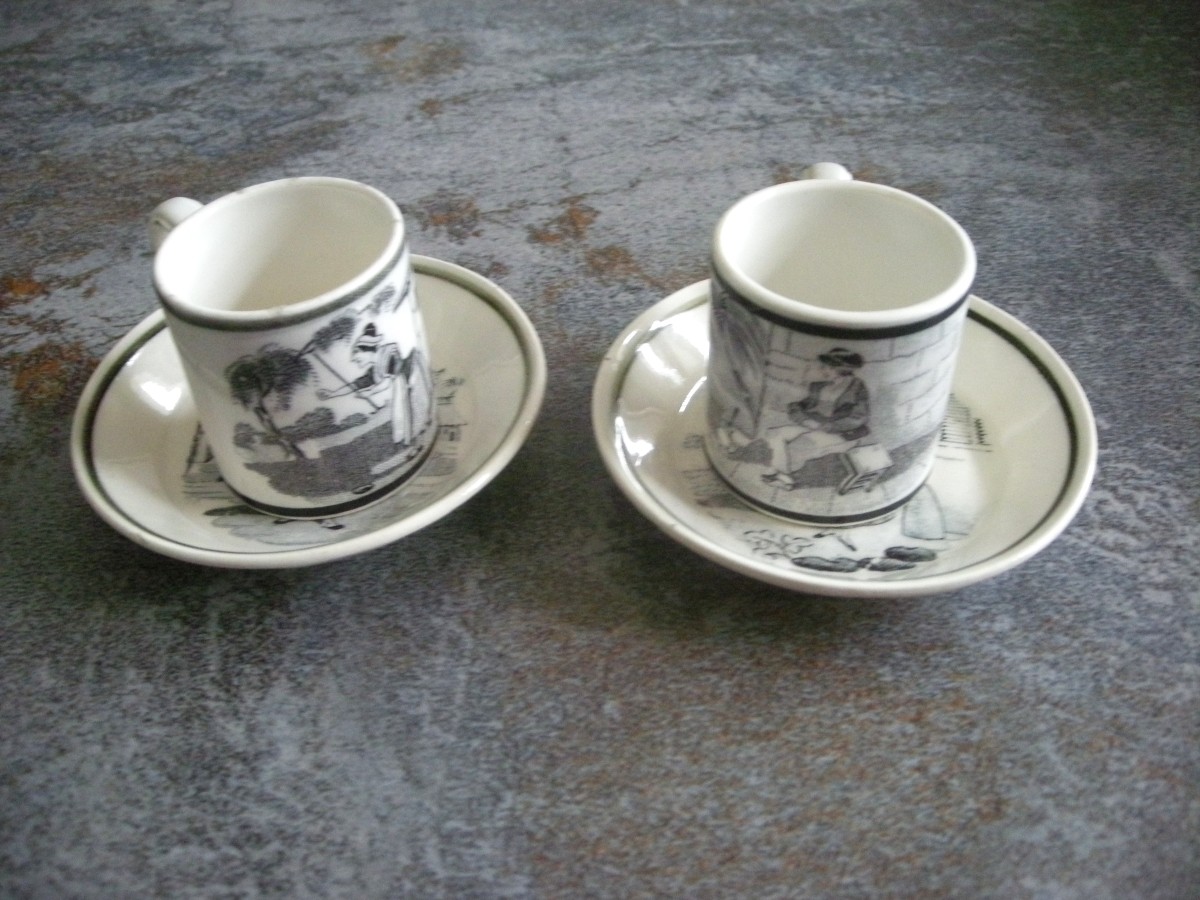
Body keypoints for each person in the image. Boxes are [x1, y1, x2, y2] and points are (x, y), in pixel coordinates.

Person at [761, 347, 870, 489]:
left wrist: (827, 426)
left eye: (827, 367)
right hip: (814, 426)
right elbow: (799, 406)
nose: (822, 371)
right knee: (774, 433)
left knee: (801, 444)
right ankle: (781, 473)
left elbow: (859, 418)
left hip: (841, 432)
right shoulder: (819, 387)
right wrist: (804, 420)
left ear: (840, 368)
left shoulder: (857, 387)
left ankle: (783, 477)